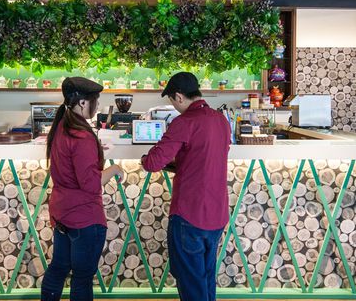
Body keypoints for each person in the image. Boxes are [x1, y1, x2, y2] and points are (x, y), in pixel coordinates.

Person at [141, 72, 231, 301]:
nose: (173, 105)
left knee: (191, 285)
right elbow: (205, 158)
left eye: (172, 100)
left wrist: (144, 158)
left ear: (179, 96)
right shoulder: (221, 120)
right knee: (206, 279)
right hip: (217, 214)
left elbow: (152, 163)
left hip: (190, 215)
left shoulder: (184, 122)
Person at [41, 77, 124, 301]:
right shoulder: (82, 135)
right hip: (84, 217)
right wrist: (114, 169)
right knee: (82, 278)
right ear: (82, 102)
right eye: (95, 100)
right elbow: (91, 183)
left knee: (58, 268)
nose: (97, 105)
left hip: (62, 213)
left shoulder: (61, 126)